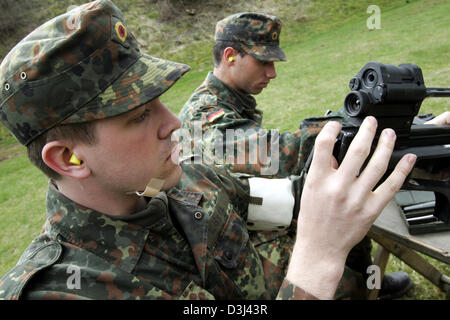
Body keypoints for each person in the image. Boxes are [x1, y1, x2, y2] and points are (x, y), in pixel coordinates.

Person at [0, 0, 417, 300]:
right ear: (68, 159)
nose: (175, 122)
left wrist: (415, 147)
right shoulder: (64, 288)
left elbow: (284, 198)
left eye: (160, 102)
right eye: (139, 116)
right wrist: (318, 260)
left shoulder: (179, 181)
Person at [178, 12, 428, 299]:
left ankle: (369, 283)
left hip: (243, 211)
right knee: (335, 255)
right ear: (230, 56)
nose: (272, 73)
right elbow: (279, 154)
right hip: (227, 238)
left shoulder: (226, 101)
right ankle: (360, 286)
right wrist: (358, 120)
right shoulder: (204, 114)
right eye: (263, 61)